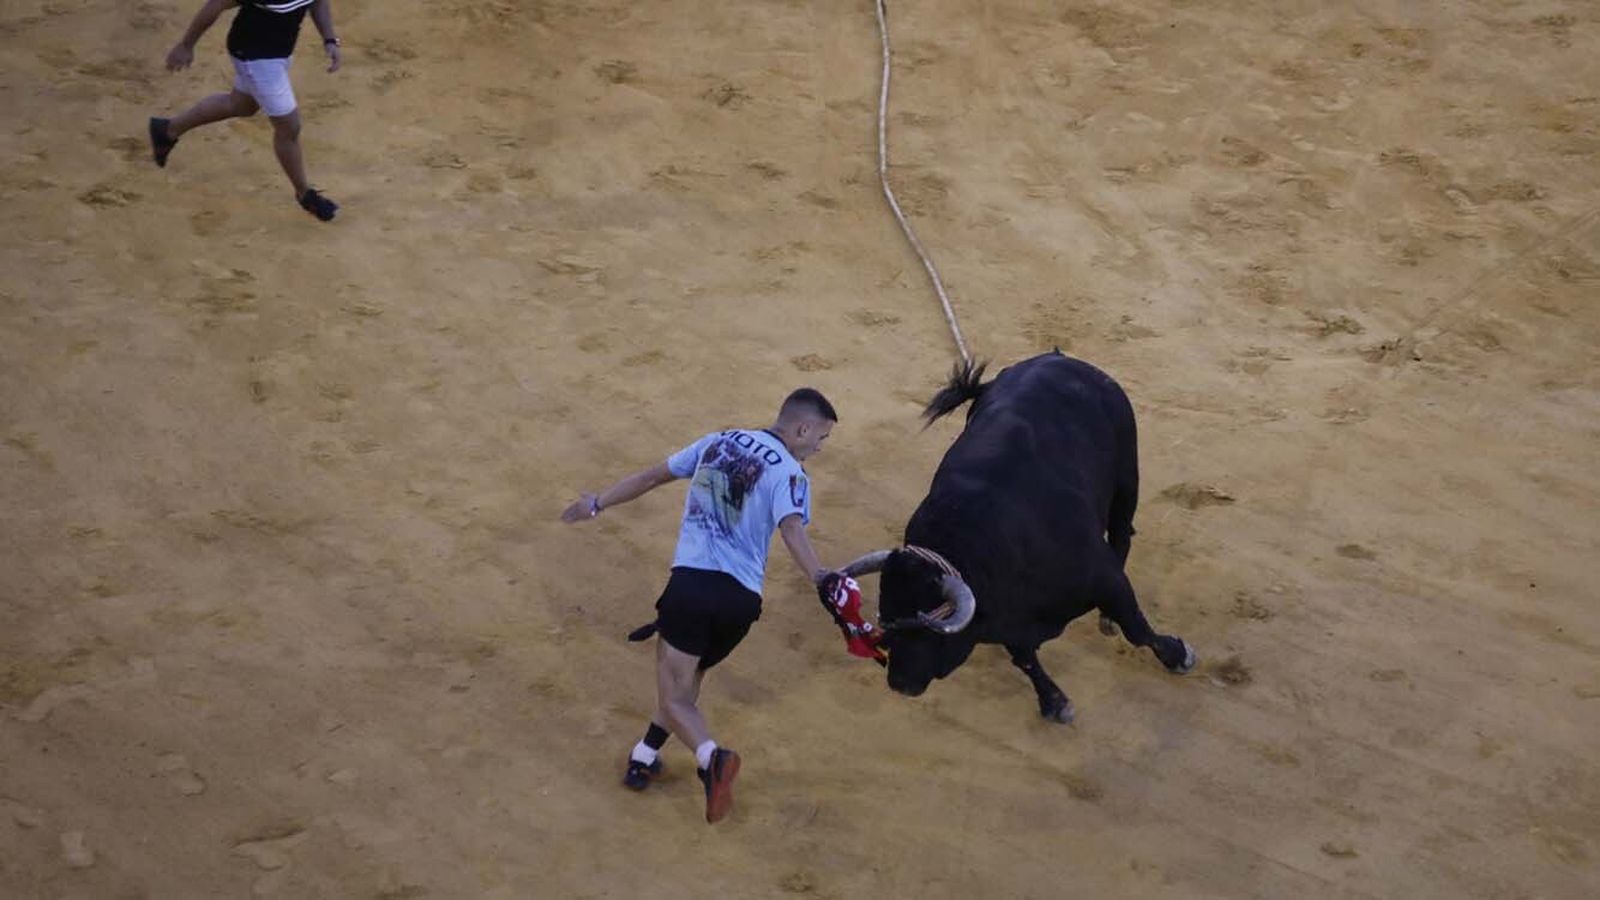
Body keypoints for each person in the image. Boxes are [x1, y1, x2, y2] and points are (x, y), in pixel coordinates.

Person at [561, 388, 846, 824]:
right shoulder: (791, 474)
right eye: (821, 439)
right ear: (802, 428)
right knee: (687, 684)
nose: (818, 449)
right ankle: (644, 756)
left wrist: (596, 503)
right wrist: (822, 578)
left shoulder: (717, 441)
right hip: (741, 604)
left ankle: (711, 757)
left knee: (674, 695)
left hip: (692, 589)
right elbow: (791, 530)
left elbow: (651, 478)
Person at [149, 0, 342, 222]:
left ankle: (167, 130)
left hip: (277, 52)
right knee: (289, 128)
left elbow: (317, 1)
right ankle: (305, 194)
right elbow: (216, 4)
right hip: (256, 57)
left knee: (241, 105)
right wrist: (186, 45)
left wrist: (329, 39)